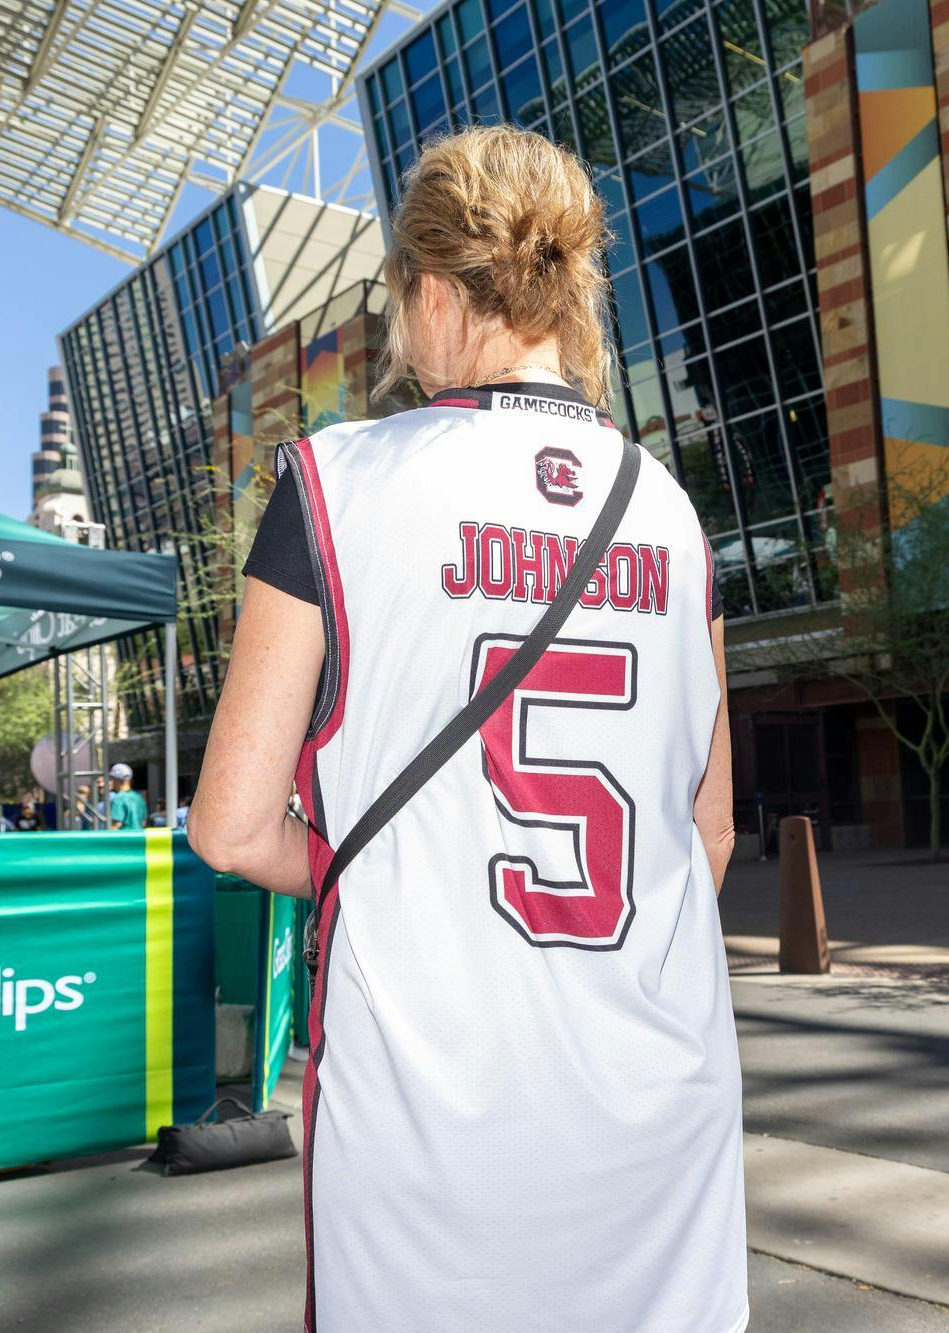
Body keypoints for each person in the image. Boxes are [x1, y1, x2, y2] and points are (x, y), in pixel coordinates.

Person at [188, 125, 744, 1333]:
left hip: (427, 1108)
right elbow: (703, 836)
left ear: (430, 290)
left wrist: (382, 868)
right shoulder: (668, 508)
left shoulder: (333, 480)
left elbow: (232, 827)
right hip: (655, 1100)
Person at [105, 763, 148, 831]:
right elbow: (143, 823)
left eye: (112, 779)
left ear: (116, 779)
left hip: (124, 840)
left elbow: (115, 825)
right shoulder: (139, 797)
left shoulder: (119, 798)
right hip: (139, 839)